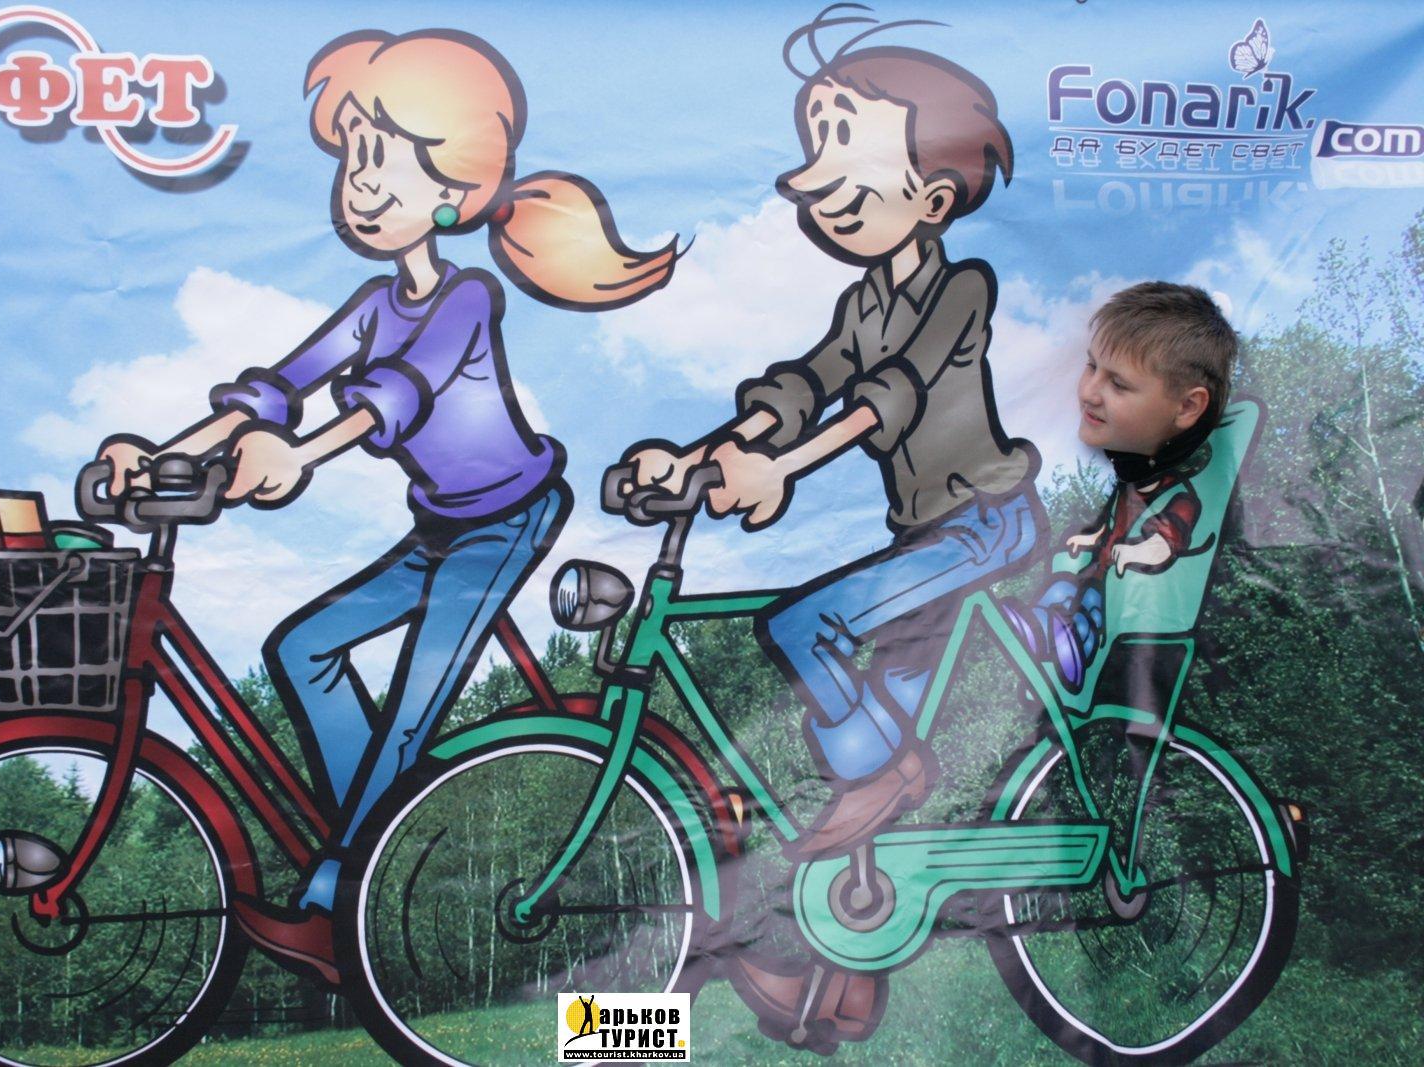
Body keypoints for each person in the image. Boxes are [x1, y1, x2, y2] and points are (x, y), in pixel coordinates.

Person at [97, 28, 678, 986]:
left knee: (411, 712)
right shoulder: (375, 300)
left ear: (453, 189)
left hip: (508, 518)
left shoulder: (468, 297)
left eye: (385, 159)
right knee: (302, 647)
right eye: (353, 158)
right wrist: (166, 454)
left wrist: (301, 455)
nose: (361, 182)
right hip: (440, 525)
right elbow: (282, 383)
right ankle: (376, 839)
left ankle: (336, 901)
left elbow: (396, 393)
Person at [620, 20, 1039, 1050]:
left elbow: (886, 396)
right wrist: (697, 456)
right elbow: (807, 384)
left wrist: (781, 469)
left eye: (849, 167)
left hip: (981, 527)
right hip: (926, 546)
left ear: (932, 199)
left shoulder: (962, 288)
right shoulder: (863, 297)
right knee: (854, 775)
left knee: (801, 626)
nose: (823, 193)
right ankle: (841, 989)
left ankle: (891, 777)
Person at [1002, 282, 1238, 690]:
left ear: (1186, 406)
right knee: (1063, 586)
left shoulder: (1179, 494)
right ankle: (1039, 625)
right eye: (1091, 366)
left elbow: (1165, 542)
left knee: (1094, 605)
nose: (1088, 392)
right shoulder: (1118, 479)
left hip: (1118, 592)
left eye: (1119, 385)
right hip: (1094, 570)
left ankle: (1074, 646)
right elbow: (1110, 522)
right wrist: (1091, 537)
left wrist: (1135, 551)